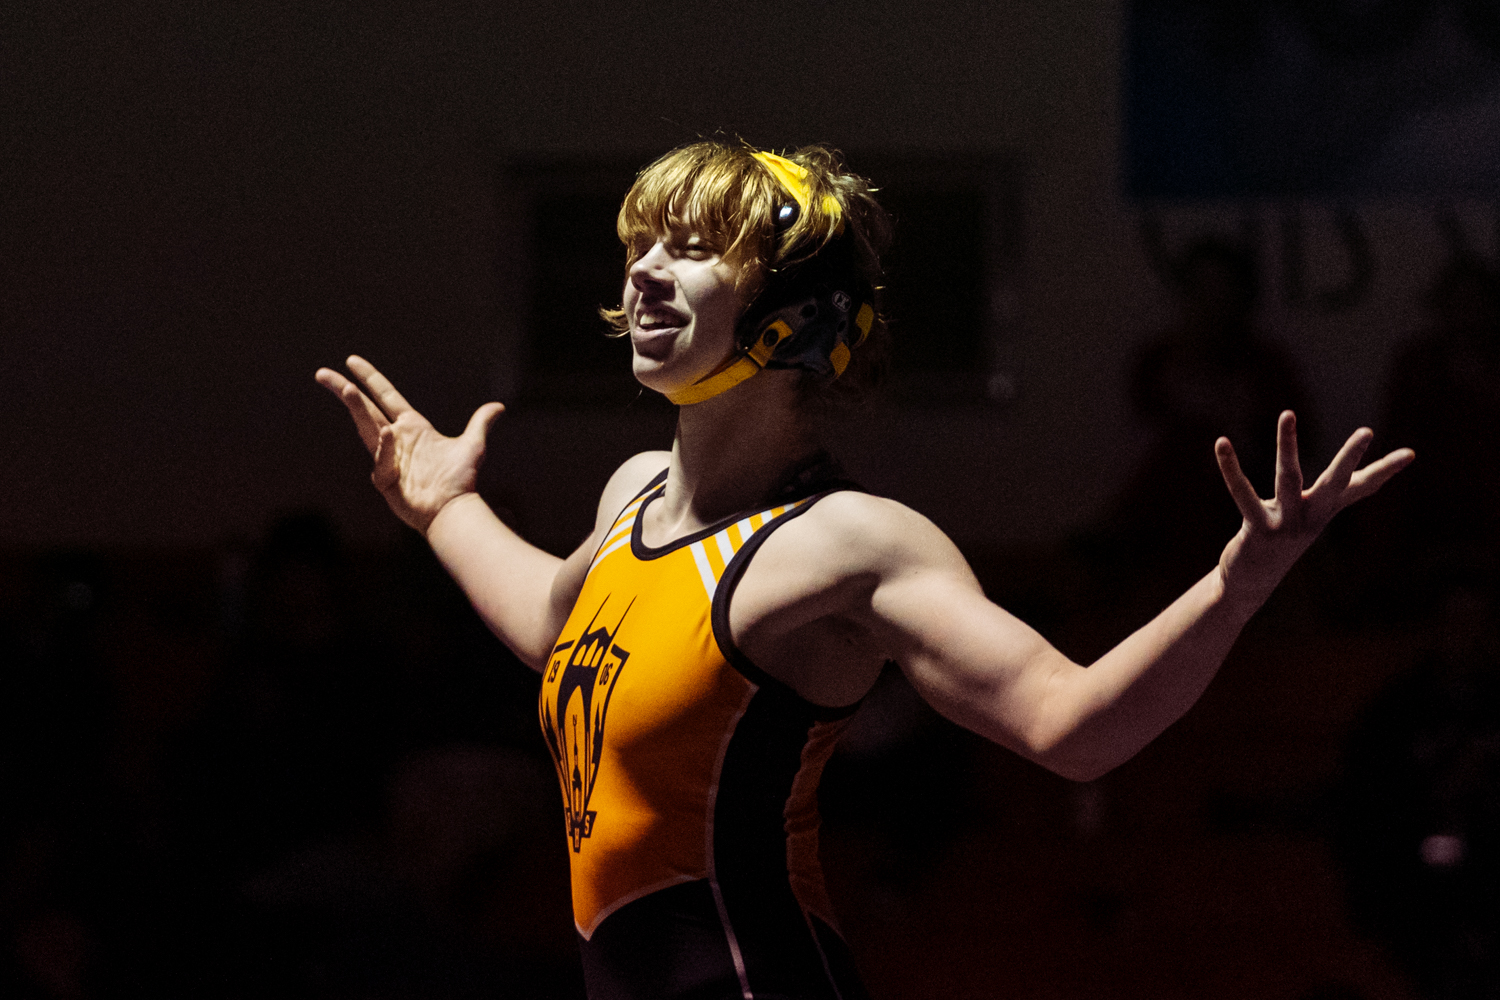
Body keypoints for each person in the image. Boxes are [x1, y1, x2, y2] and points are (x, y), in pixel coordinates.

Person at [315, 141, 1413, 1000]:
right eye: (641, 242)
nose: (643, 268)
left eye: (691, 248)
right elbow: (561, 631)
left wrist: (1240, 586)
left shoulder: (849, 543)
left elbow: (1076, 728)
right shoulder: (633, 494)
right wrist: (446, 508)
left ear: (792, 313)